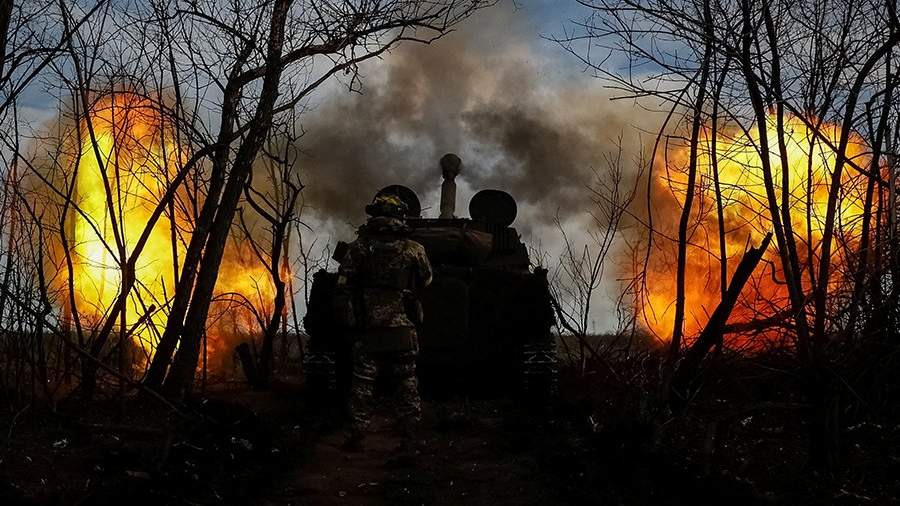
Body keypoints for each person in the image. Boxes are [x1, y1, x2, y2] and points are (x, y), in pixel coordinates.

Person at [335, 193, 432, 450]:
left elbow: (343, 283)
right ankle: (409, 436)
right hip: (402, 328)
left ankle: (357, 435)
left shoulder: (359, 248)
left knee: (362, 383)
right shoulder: (413, 249)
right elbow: (426, 280)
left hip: (368, 328)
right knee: (406, 381)